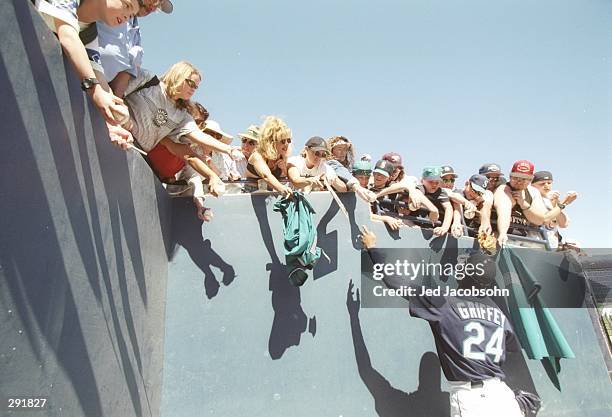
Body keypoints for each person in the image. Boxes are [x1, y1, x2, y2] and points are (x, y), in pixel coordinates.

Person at [359, 226, 529, 417]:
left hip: (471, 399)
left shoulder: (445, 302)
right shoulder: (499, 314)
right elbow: (512, 346)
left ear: (466, 275)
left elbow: (396, 281)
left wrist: (372, 249)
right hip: (502, 395)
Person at [34, 0, 139, 147]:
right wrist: (95, 90)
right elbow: (68, 35)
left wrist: (113, 122)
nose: (127, 16)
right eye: (127, 5)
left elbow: (98, 74)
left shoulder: (90, 33)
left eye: (132, 14)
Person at [245, 116, 293, 198]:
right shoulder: (257, 156)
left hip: (270, 195)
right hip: (250, 195)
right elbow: (266, 176)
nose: (286, 144)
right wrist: (282, 189)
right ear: (271, 142)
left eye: (288, 140)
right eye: (282, 141)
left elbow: (289, 179)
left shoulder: (282, 156)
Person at [530, 171, 578, 249]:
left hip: (551, 244)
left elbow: (564, 224)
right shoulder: (530, 198)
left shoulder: (554, 200)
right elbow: (543, 218)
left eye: (549, 183)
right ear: (533, 186)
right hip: (535, 243)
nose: (546, 186)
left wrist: (561, 204)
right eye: (542, 184)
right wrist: (560, 202)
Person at [415, 167, 453, 236]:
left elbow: (448, 208)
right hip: (417, 225)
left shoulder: (441, 192)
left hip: (433, 227)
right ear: (422, 180)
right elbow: (418, 194)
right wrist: (433, 209)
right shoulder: (420, 188)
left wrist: (444, 227)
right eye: (430, 181)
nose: (434, 184)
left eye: (437, 182)